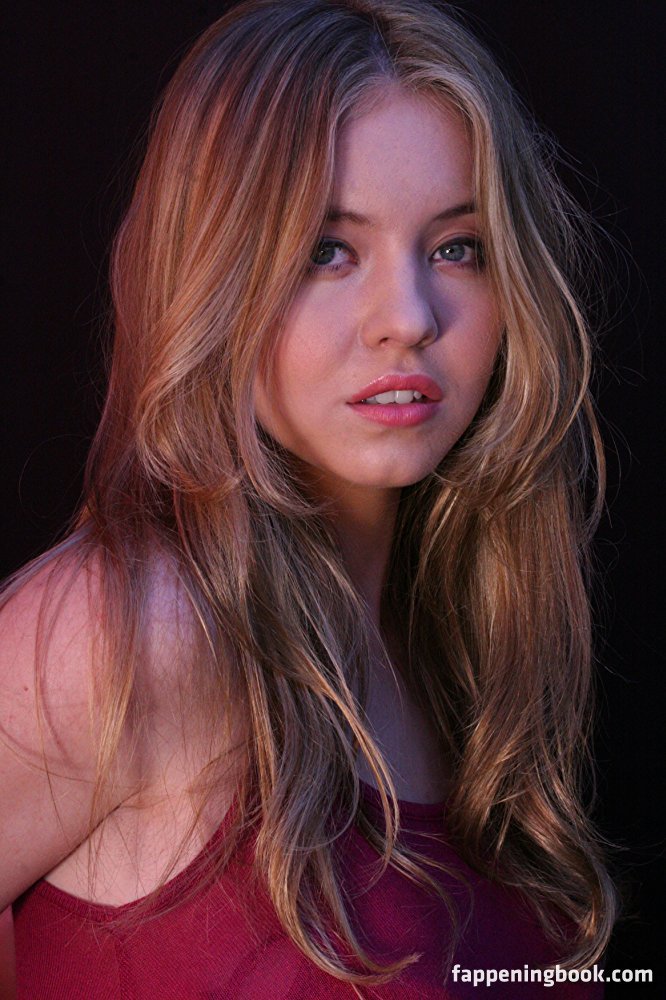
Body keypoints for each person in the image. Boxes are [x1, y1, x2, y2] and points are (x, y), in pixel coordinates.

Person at [1, 0, 618, 995]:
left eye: (458, 247)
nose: (408, 318)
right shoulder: (138, 634)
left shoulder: (458, 666)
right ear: (211, 274)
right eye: (328, 250)